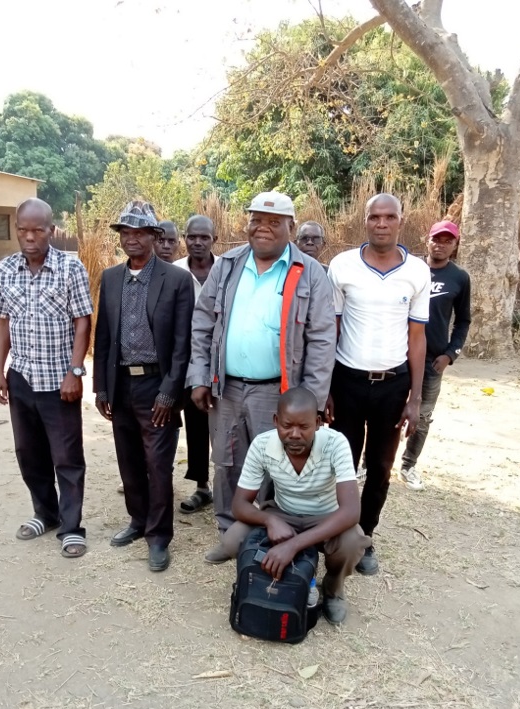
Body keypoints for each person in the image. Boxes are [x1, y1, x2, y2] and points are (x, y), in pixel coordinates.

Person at [187, 190, 337, 564]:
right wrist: (200, 376)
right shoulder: (228, 265)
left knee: (277, 465)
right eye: (256, 220)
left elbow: (322, 339)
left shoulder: (310, 272)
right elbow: (202, 322)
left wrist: (312, 401)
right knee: (226, 463)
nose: (263, 228)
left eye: (274, 222)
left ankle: (269, 535)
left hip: (280, 392)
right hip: (227, 388)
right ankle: (229, 534)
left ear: (291, 227)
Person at [327, 193, 430, 576]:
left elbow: (417, 337)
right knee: (342, 464)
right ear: (365, 221)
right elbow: (332, 329)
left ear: (401, 220)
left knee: (381, 467)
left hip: (393, 385)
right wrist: (326, 388)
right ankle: (338, 533)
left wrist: (415, 398)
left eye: (389, 217)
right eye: (375, 217)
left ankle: (365, 535)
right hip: (347, 382)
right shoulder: (342, 266)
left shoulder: (417, 271)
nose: (382, 224)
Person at [93, 201, 194, 572]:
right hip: (121, 383)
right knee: (129, 459)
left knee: (158, 464)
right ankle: (137, 520)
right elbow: (104, 337)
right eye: (125, 232)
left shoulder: (176, 280)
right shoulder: (111, 278)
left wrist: (170, 391)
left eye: (139, 232)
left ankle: (159, 536)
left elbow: (183, 344)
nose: (131, 238)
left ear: (154, 236)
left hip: (157, 385)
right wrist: (101, 388)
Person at [0, 198, 92, 559]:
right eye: (23, 230)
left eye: (37, 230)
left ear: (51, 230)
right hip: (21, 377)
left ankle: (71, 527)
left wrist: (75, 371)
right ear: (17, 229)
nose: (30, 237)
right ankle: (45, 513)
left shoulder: (70, 268)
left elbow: (83, 321)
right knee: (28, 453)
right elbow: (3, 322)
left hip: (59, 382)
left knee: (67, 457)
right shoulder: (5, 269)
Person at [223, 387, 371, 624]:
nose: (294, 434)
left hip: (326, 516)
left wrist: (293, 545)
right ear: (276, 421)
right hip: (283, 513)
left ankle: (333, 588)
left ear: (318, 423)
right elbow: (239, 504)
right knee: (232, 540)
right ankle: (265, 580)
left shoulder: (336, 443)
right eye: (286, 425)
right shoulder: (262, 444)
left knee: (352, 542)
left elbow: (351, 511)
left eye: (304, 427)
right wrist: (270, 520)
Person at [399, 220, 471, 490]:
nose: (440, 245)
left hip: (433, 361)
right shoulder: (410, 269)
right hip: (400, 355)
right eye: (436, 239)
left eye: (447, 241)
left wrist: (451, 354)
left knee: (423, 415)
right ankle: (371, 464)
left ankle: (408, 466)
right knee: (389, 410)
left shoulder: (459, 278)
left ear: (455, 245)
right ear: (427, 240)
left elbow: (463, 320)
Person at [173, 215, 217, 513]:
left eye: (204, 237)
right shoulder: (175, 272)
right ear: (184, 238)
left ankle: (235, 489)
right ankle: (202, 486)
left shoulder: (227, 269)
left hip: (225, 360)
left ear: (214, 239)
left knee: (227, 429)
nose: (197, 242)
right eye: (192, 237)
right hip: (189, 362)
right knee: (196, 424)